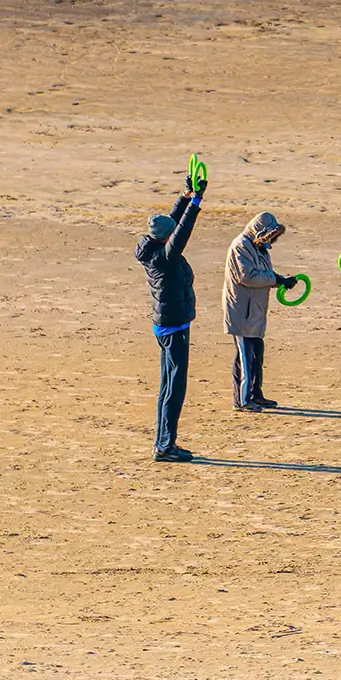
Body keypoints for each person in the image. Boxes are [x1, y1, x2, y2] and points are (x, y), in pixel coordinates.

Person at [134, 170, 205, 462]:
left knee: (168, 385)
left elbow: (172, 225)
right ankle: (165, 446)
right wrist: (196, 203)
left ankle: (163, 442)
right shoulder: (164, 257)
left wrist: (184, 197)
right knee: (174, 389)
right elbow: (182, 231)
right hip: (174, 328)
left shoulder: (152, 246)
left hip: (166, 325)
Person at [222, 211, 300, 412]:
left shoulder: (259, 248)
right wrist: (275, 279)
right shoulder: (241, 246)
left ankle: (256, 395)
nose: (271, 240)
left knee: (257, 356)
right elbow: (247, 277)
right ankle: (242, 401)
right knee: (245, 358)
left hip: (255, 312)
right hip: (242, 313)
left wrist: (281, 281)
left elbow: (264, 274)